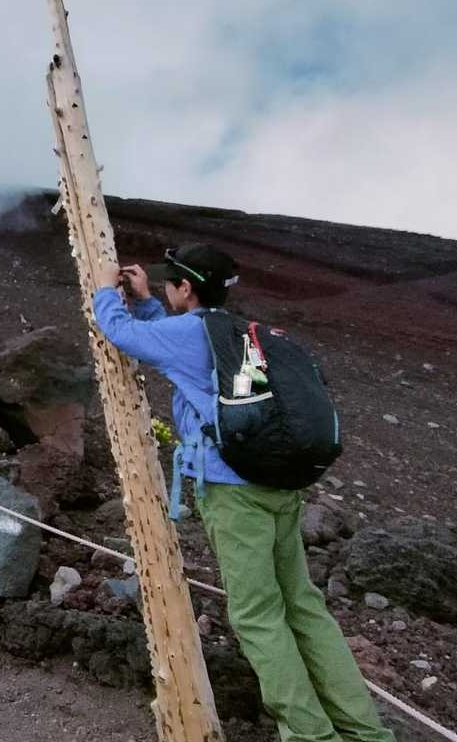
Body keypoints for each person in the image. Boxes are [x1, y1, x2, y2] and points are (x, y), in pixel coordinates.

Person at [93, 244, 394, 742]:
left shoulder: (190, 335)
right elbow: (177, 352)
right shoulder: (233, 332)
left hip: (235, 495)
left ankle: (311, 737)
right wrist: (146, 301)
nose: (165, 288)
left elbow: (120, 333)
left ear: (185, 288)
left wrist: (107, 289)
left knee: (257, 617)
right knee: (303, 608)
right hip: (279, 486)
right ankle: (366, 733)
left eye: (170, 283)